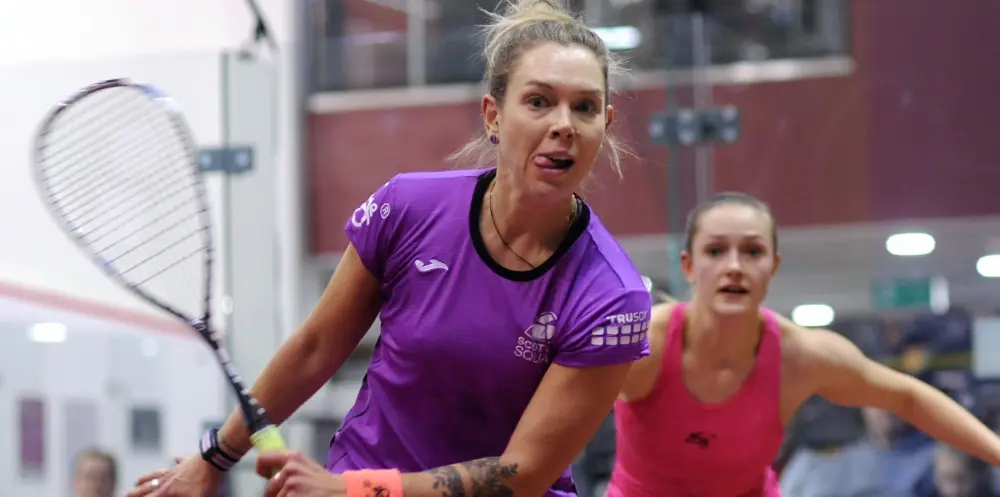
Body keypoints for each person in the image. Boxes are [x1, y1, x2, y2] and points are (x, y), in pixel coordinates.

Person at [127, 1, 653, 496]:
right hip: (358, 474)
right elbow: (316, 348)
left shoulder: (612, 296)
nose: (563, 124)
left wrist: (350, 490)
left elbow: (522, 474)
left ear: (603, 127)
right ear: (494, 115)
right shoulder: (409, 208)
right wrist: (213, 460)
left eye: (584, 108)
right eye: (539, 101)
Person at [608, 192, 1000, 497]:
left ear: (773, 266)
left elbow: (909, 398)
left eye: (752, 251)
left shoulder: (801, 356)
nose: (734, 266)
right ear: (688, 266)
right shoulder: (643, 343)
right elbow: (553, 398)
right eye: (715, 250)